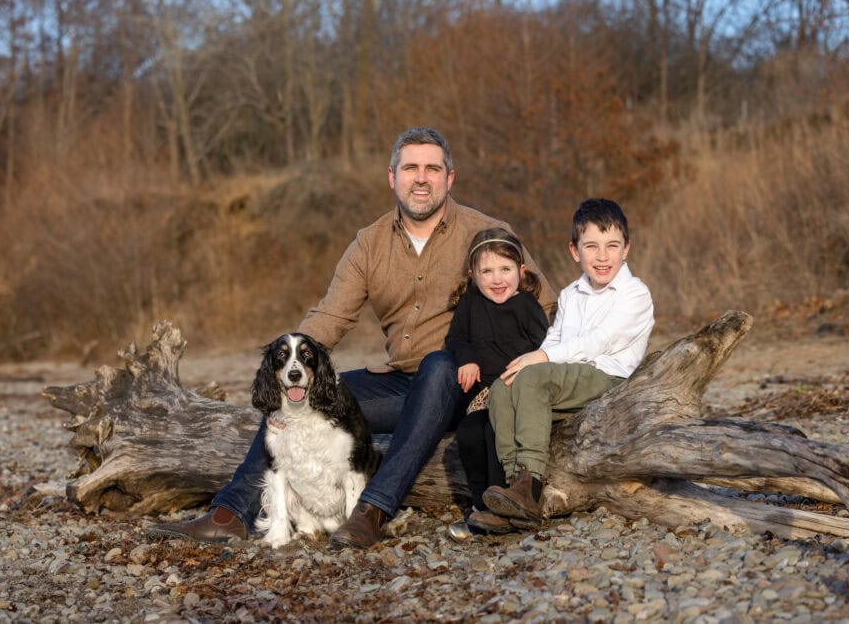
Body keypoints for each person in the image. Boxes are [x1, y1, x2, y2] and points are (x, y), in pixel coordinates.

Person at [149, 126, 556, 550]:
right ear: (391, 176)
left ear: (450, 178)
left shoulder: (488, 234)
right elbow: (331, 316)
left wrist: (519, 377)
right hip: (400, 383)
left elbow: (545, 308)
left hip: (467, 385)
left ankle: (372, 510)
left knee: (439, 364)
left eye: (433, 168)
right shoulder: (369, 243)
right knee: (299, 394)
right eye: (410, 168)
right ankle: (230, 512)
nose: (421, 178)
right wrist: (290, 368)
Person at [481, 198, 654, 525]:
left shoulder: (635, 293)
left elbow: (601, 341)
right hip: (568, 377)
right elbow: (556, 340)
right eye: (591, 246)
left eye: (612, 246)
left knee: (532, 378)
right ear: (575, 251)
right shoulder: (571, 294)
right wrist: (535, 360)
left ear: (626, 249)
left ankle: (530, 482)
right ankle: (515, 492)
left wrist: (542, 359)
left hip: (609, 378)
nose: (602, 256)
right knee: (504, 387)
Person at [443, 228, 550, 539]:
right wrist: (467, 359)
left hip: (517, 392)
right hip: (485, 394)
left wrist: (530, 368)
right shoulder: (471, 303)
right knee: (469, 433)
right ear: (473, 275)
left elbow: (545, 347)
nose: (497, 279)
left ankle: (502, 505)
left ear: (521, 271)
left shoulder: (527, 306)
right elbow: (456, 338)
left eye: (505, 269)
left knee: (494, 434)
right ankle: (479, 506)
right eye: (486, 271)